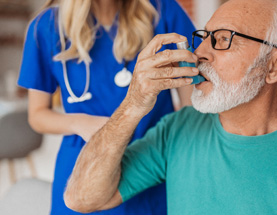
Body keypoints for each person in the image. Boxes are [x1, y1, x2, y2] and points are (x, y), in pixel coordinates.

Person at [64, 0, 277, 214]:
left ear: (275, 65)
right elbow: (81, 199)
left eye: (223, 38)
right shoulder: (178, 128)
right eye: (204, 37)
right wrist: (132, 106)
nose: (200, 52)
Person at [17, 0, 196, 214]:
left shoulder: (163, 12)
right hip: (84, 169)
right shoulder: (45, 27)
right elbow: (37, 115)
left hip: (151, 166)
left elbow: (192, 108)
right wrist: (82, 123)